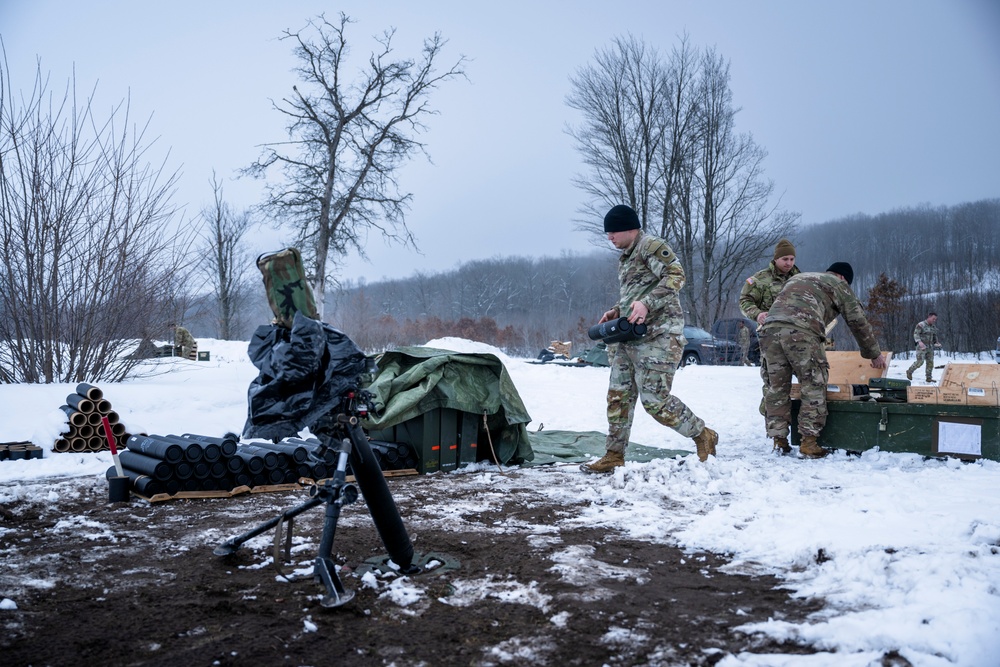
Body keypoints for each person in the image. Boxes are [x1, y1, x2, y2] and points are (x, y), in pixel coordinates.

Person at [582, 204, 718, 473]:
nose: (609, 238)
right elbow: (636, 293)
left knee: (655, 401)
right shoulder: (627, 256)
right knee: (618, 396)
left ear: (629, 228)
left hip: (658, 337)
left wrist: (646, 303)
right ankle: (613, 454)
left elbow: (676, 275)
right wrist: (617, 310)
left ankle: (702, 434)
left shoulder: (650, 246)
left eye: (612, 232)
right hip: (629, 337)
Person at [759, 262, 887, 459]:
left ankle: (779, 441)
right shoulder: (838, 284)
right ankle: (809, 443)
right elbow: (857, 321)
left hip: (769, 331)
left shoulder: (797, 278)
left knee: (776, 387)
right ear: (843, 277)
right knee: (813, 384)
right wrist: (873, 353)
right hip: (801, 333)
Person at [739, 239, 801, 418]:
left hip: (798, 339)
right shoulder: (760, 279)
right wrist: (757, 314)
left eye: (791, 259)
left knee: (808, 382)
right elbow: (744, 301)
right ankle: (774, 423)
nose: (789, 263)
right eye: (785, 259)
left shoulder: (799, 279)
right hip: (772, 340)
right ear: (776, 259)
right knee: (774, 383)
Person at [906, 312, 942, 383]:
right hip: (921, 347)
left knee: (930, 362)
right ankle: (909, 371)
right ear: (929, 317)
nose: (934, 320)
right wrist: (919, 342)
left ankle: (929, 377)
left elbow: (934, 336)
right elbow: (916, 334)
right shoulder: (921, 325)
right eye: (933, 319)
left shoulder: (933, 327)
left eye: (935, 319)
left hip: (930, 347)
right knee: (920, 362)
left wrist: (936, 343)